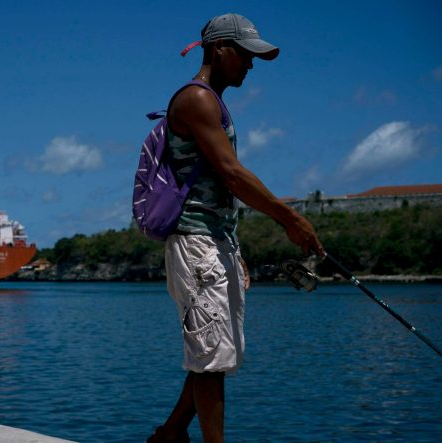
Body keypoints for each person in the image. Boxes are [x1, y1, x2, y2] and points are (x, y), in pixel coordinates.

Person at [147, 13, 324, 443]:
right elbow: (231, 174)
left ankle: (170, 436)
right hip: (195, 245)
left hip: (214, 243)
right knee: (210, 361)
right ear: (219, 49)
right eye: (245, 55)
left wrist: (232, 248)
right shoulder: (196, 99)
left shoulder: (215, 103)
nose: (250, 65)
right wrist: (292, 219)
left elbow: (220, 191)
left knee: (216, 356)